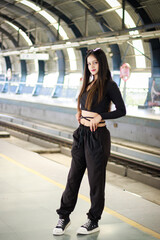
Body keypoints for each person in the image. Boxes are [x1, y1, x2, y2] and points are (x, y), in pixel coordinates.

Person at [53, 48, 126, 236]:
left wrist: (100, 115)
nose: (92, 66)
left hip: (97, 137)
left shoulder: (109, 85)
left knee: (95, 180)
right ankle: (64, 216)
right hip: (82, 134)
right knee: (73, 177)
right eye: (89, 63)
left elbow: (121, 110)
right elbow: (85, 105)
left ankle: (93, 220)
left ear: (101, 64)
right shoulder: (88, 83)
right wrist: (80, 113)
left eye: (95, 63)